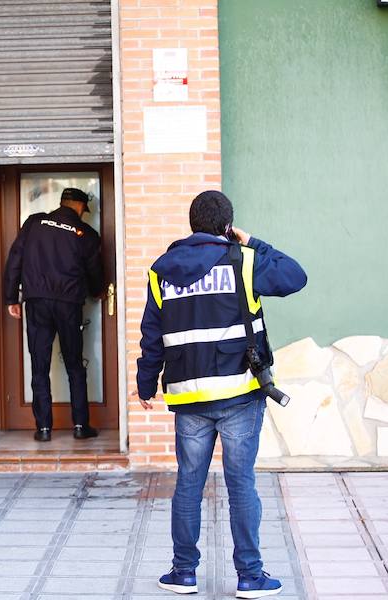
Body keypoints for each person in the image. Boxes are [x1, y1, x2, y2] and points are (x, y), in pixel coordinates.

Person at [135, 190, 306, 597]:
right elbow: (295, 276)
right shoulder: (243, 261)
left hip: (189, 398)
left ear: (192, 224)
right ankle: (250, 576)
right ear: (227, 226)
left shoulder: (160, 271)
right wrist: (254, 243)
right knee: (241, 484)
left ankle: (183, 573)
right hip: (240, 394)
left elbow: (151, 337)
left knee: (189, 484)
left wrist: (145, 384)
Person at [4, 187, 104, 442]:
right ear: (80, 207)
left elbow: (15, 258)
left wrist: (10, 298)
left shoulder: (34, 223)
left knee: (40, 365)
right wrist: (97, 291)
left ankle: (44, 429)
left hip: (36, 302)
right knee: (74, 365)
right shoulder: (87, 235)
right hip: (68, 304)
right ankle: (81, 426)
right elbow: (94, 270)